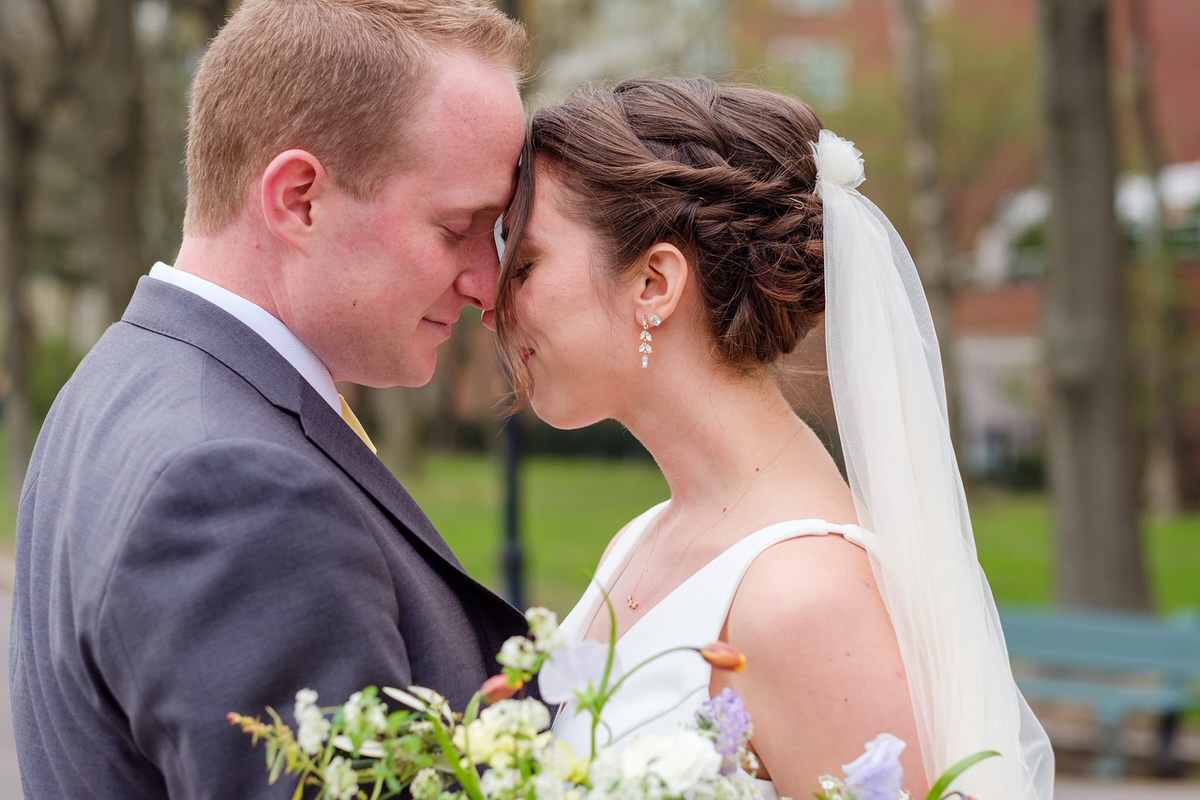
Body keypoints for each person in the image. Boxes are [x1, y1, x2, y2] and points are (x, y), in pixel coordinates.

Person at [9, 1, 529, 797]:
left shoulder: (118, 381)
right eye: (459, 226)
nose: (484, 284)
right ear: (298, 199)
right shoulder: (237, 490)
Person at [494, 77, 1055, 799]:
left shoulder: (808, 599)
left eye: (527, 263)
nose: (492, 300)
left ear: (655, 284)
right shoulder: (642, 538)